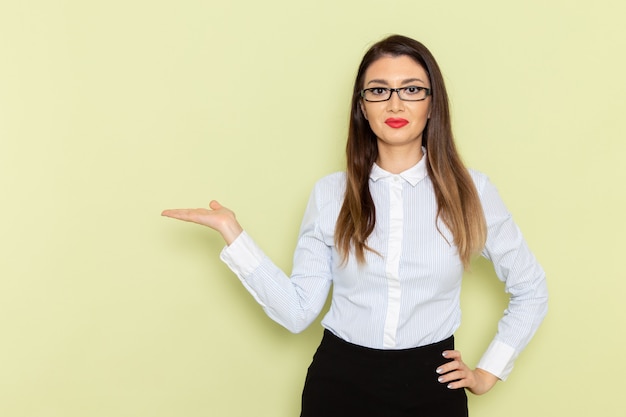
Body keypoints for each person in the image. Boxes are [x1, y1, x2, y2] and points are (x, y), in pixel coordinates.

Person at [162, 34, 548, 417]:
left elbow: (531, 288)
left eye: (411, 89)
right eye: (378, 91)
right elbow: (298, 312)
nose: (395, 103)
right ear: (362, 107)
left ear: (433, 104)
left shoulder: (472, 191)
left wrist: (488, 371)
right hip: (339, 386)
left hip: (432, 388)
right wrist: (232, 233)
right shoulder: (331, 194)